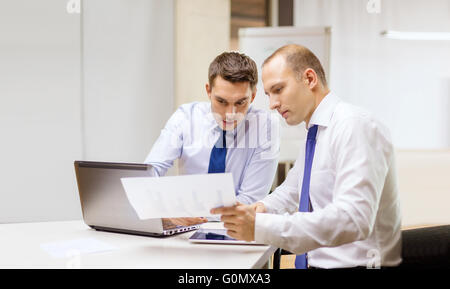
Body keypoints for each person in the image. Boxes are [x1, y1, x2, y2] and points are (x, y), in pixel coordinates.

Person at [211, 44, 402, 269]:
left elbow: (354, 219)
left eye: (278, 89)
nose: (272, 104)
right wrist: (259, 208)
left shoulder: (354, 126)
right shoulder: (316, 133)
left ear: (309, 79)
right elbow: (292, 191)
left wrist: (260, 227)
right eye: (268, 94)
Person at [145, 52, 279, 227]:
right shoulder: (186, 117)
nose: (230, 114)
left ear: (253, 96)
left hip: (237, 231)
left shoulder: (265, 126)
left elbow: (249, 201)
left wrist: (189, 213)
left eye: (240, 102)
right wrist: (166, 212)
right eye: (221, 101)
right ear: (208, 91)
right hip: (186, 232)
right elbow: (150, 171)